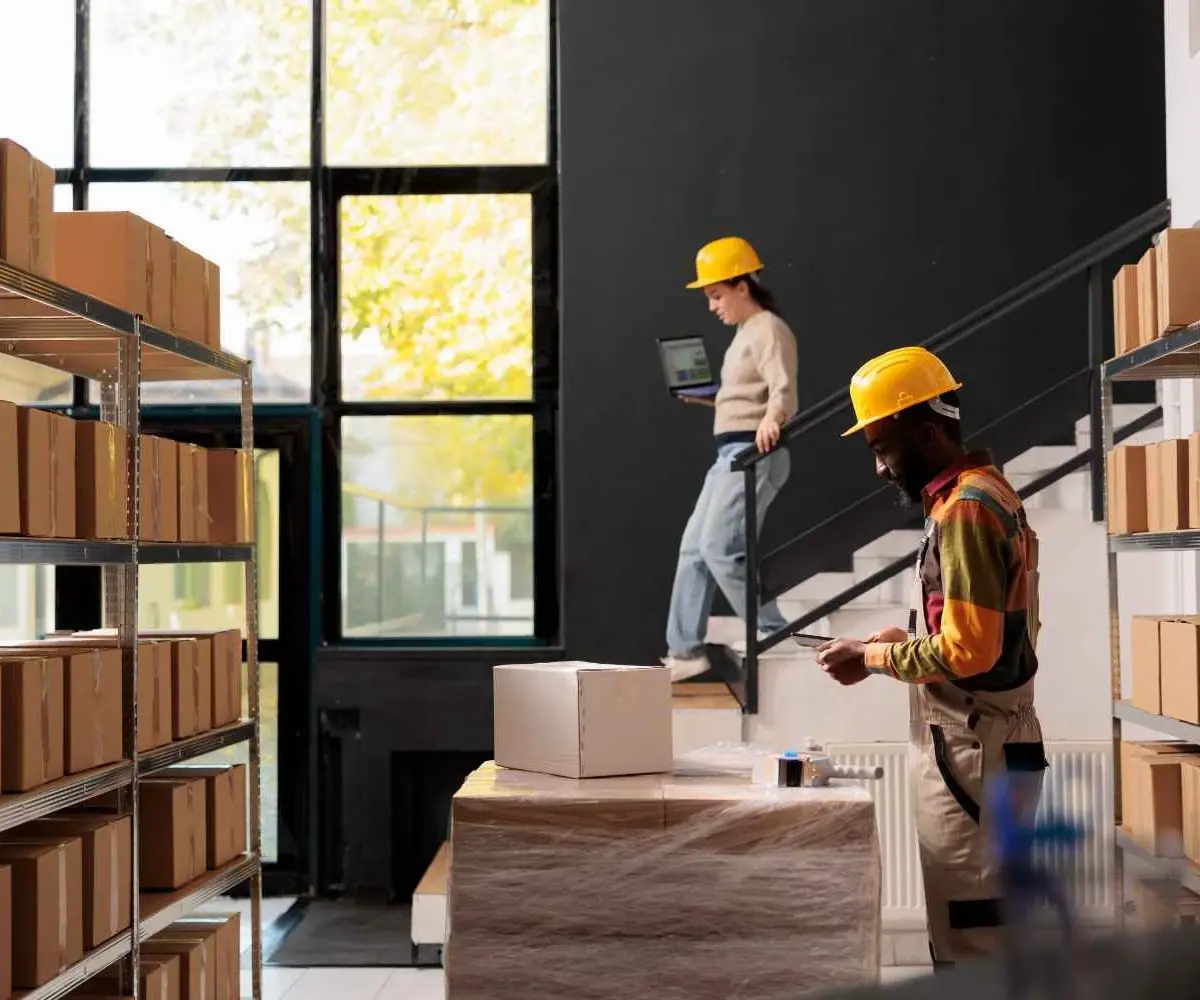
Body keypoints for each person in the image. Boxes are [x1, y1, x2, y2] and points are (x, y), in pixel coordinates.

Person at [814, 346, 1046, 970]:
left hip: (973, 751)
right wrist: (885, 644)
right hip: (988, 744)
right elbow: (976, 630)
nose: (881, 469)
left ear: (925, 432)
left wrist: (874, 659)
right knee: (986, 924)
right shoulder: (979, 494)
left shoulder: (967, 508)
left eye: (882, 449)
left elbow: (972, 650)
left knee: (973, 936)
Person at [663, 237, 799, 682]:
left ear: (743, 285)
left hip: (753, 453)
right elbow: (744, 396)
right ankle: (685, 651)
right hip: (730, 453)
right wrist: (711, 401)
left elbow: (782, 387)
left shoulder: (769, 329)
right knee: (692, 551)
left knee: (721, 550)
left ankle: (772, 630)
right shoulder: (744, 335)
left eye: (716, 295)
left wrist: (773, 418)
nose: (713, 306)